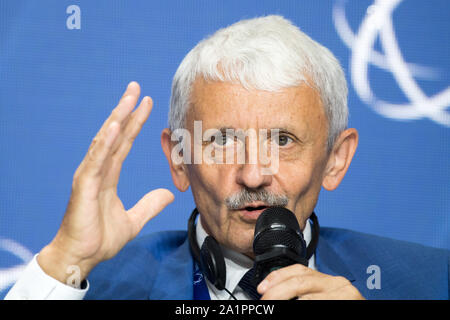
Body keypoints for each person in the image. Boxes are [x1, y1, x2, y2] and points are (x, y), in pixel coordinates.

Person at [5, 15, 449, 300]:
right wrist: (66, 260)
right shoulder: (92, 285)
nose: (254, 174)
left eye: (283, 140)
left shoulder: (433, 283)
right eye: (222, 140)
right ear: (180, 159)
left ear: (336, 158)